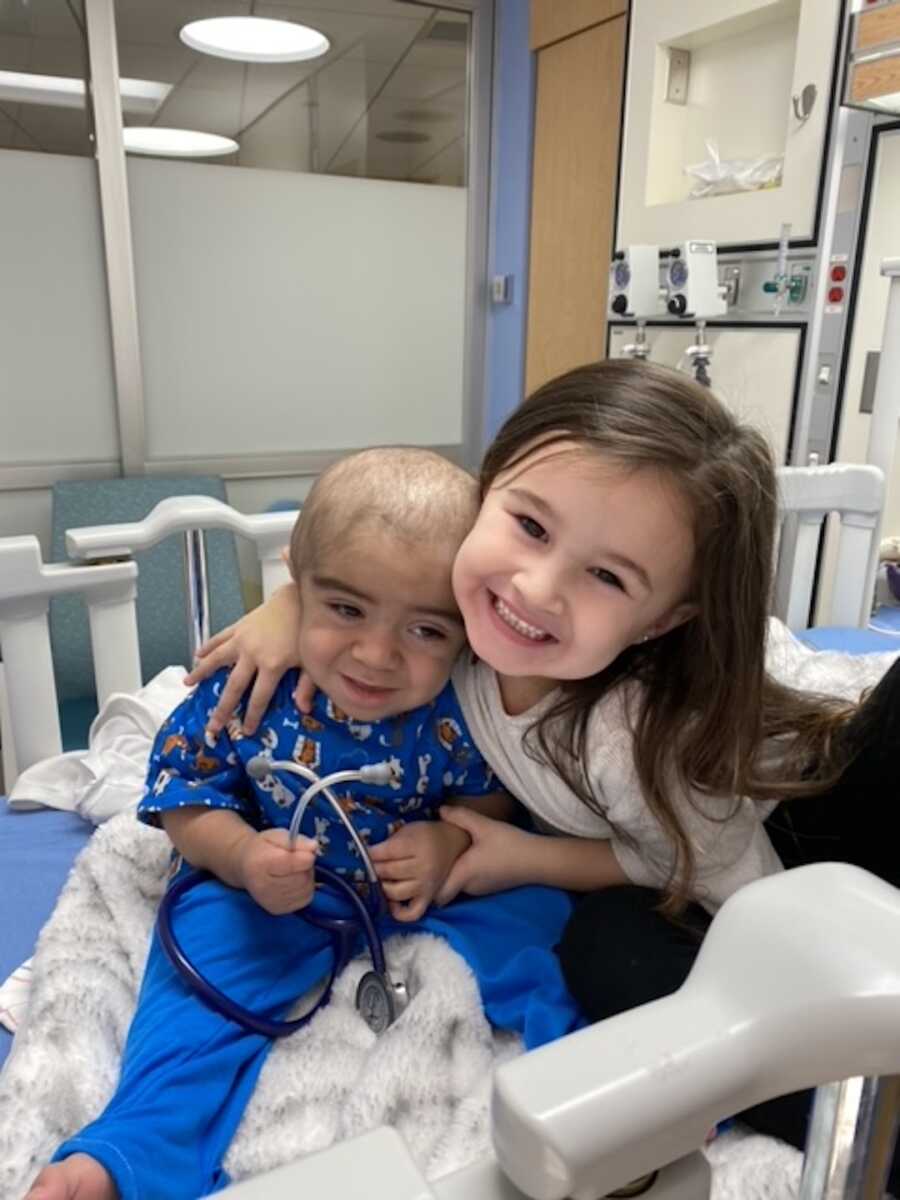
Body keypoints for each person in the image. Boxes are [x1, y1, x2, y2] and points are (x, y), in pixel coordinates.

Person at [180, 359, 900, 1175]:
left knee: (628, 954)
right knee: (601, 946)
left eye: (606, 576)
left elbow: (732, 890)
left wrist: (523, 858)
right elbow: (373, 533)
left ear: (662, 619)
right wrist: (289, 606)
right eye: (529, 525)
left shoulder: (625, 736)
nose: (534, 588)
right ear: (486, 492)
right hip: (717, 833)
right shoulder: (440, 629)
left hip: (802, 836)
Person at [26, 447, 584, 1200]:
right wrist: (242, 858)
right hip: (270, 893)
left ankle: (600, 1095)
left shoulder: (465, 702)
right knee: (192, 992)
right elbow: (185, 797)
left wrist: (450, 840)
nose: (377, 654)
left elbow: (492, 800)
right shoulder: (252, 686)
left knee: (541, 925)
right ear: (295, 586)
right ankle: (129, 1152)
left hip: (417, 898)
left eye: (425, 631)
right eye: (346, 609)